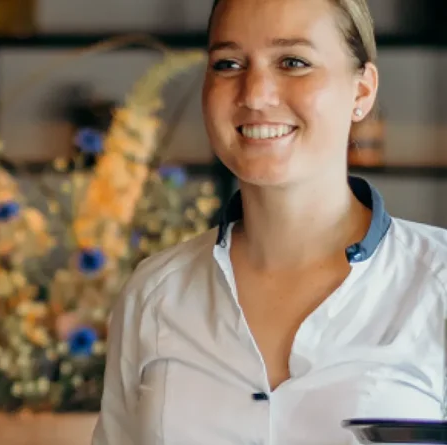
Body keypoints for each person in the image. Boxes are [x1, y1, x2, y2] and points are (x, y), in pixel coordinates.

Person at [92, 0, 447, 443]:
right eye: (228, 64)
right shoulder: (155, 294)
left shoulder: (438, 284)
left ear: (361, 92)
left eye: (293, 62)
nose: (255, 94)